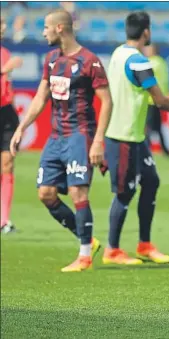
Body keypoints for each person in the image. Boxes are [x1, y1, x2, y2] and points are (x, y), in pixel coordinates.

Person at [10, 9, 112, 272]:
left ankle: (85, 255)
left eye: (45, 27)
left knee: (79, 191)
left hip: (80, 134)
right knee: (45, 193)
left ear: (59, 28)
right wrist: (22, 127)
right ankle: (88, 238)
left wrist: (98, 140)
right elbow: (40, 98)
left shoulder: (90, 61)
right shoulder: (51, 59)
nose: (42, 32)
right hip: (56, 137)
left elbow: (107, 101)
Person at [102, 11, 169, 266]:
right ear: (147, 32)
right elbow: (160, 99)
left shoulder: (118, 54)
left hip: (135, 136)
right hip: (123, 136)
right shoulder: (139, 61)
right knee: (124, 192)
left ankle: (144, 244)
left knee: (151, 182)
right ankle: (112, 249)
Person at [1, 17, 23, 233]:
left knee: (7, 164)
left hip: (6, 112)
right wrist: (4, 69)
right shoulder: (6, 58)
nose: (4, 27)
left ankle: (4, 220)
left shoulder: (4, 52)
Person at [143, 43, 169, 156]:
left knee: (147, 127)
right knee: (157, 127)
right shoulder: (162, 62)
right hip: (160, 99)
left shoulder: (151, 63)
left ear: (153, 50)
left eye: (148, 49)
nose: (146, 51)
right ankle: (165, 150)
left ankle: (146, 150)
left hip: (151, 99)